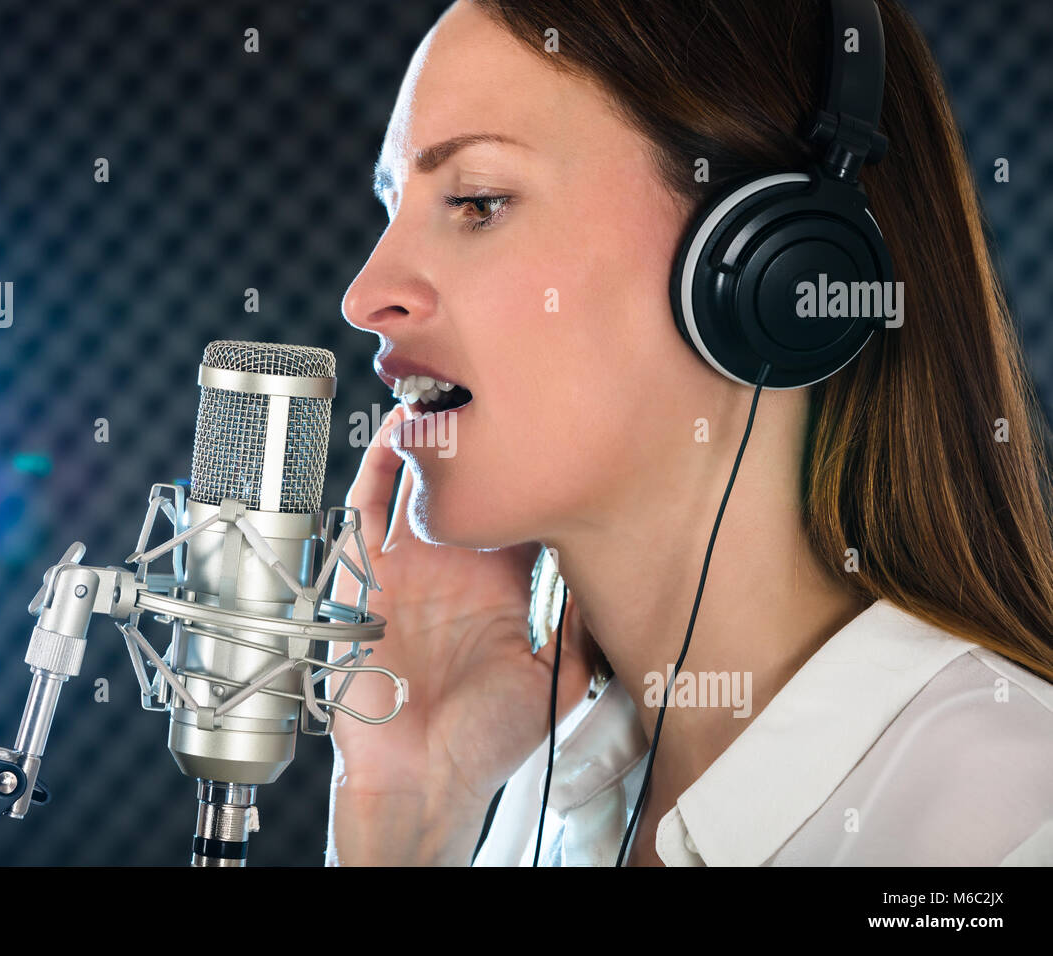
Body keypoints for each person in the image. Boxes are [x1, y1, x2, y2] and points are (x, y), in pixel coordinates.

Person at [323, 0, 1053, 866]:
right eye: (392, 205)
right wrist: (405, 810)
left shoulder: (1011, 825)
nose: (365, 296)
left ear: (771, 268)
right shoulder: (537, 803)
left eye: (478, 202)